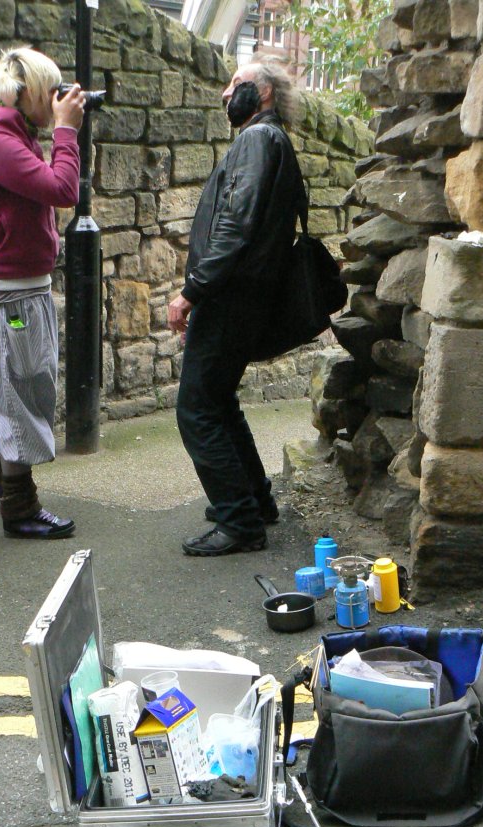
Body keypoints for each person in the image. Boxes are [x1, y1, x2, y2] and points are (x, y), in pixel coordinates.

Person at [168, 59, 305, 557]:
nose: (227, 93)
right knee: (219, 400)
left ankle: (240, 522)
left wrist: (192, 291)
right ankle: (254, 502)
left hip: (230, 296)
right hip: (247, 296)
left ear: (264, 92)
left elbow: (235, 225)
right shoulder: (272, 140)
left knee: (196, 409)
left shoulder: (256, 140)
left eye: (237, 84)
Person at [0, 48, 84, 539]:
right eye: (50, 91)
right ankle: (20, 507)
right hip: (4, 294)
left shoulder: (9, 134)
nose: (57, 100)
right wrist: (66, 131)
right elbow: (63, 189)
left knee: (20, 383)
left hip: (15, 287)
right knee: (19, 387)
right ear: (26, 93)